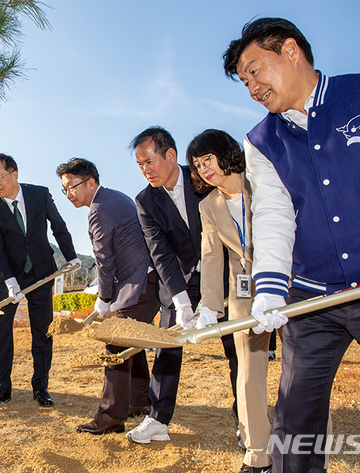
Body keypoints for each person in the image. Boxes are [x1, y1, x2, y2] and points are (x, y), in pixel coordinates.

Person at [223, 17, 360, 472]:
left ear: (291, 51)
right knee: (295, 423)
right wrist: (270, 287)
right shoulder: (260, 141)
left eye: (255, 70)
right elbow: (273, 213)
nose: (251, 86)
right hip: (312, 298)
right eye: (244, 79)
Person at [127, 126, 238, 444]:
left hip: (224, 276)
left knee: (236, 349)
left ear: (171, 155)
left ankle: (246, 416)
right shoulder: (145, 201)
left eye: (149, 161)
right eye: (140, 165)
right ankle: (158, 420)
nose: (145, 170)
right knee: (167, 347)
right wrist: (181, 302)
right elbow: (160, 254)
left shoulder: (203, 177)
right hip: (180, 282)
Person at [186, 130, 271, 473]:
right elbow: (211, 256)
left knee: (303, 371)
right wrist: (209, 305)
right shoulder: (208, 206)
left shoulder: (264, 181)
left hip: (293, 284)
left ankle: (303, 448)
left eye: (208, 160)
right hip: (243, 293)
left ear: (226, 153)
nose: (204, 170)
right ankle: (257, 454)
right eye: (197, 165)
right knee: (248, 372)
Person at [56, 158, 161, 435]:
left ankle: (111, 415)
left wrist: (103, 299)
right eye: (64, 189)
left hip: (142, 283)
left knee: (115, 342)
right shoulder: (113, 198)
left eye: (72, 187)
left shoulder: (100, 210)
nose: (69, 194)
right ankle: (138, 401)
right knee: (130, 339)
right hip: (142, 281)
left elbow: (104, 260)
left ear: (90, 182)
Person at [0, 153, 80, 408]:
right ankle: (1, 388)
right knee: (1, 334)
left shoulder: (39, 194)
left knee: (43, 333)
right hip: (7, 276)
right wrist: (11, 283)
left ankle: (41, 387)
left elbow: (58, 226)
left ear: (14, 174)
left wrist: (71, 257)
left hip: (41, 272)